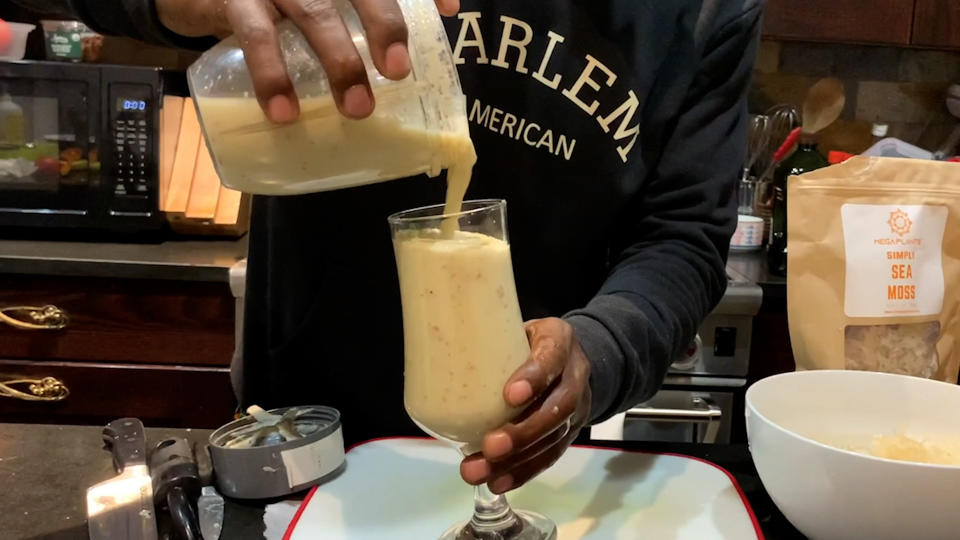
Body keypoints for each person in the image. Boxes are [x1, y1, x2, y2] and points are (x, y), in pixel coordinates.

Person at [16, 0, 761, 495]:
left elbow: (683, 239)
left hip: (537, 457)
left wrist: (600, 348)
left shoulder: (703, 11)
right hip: (306, 441)